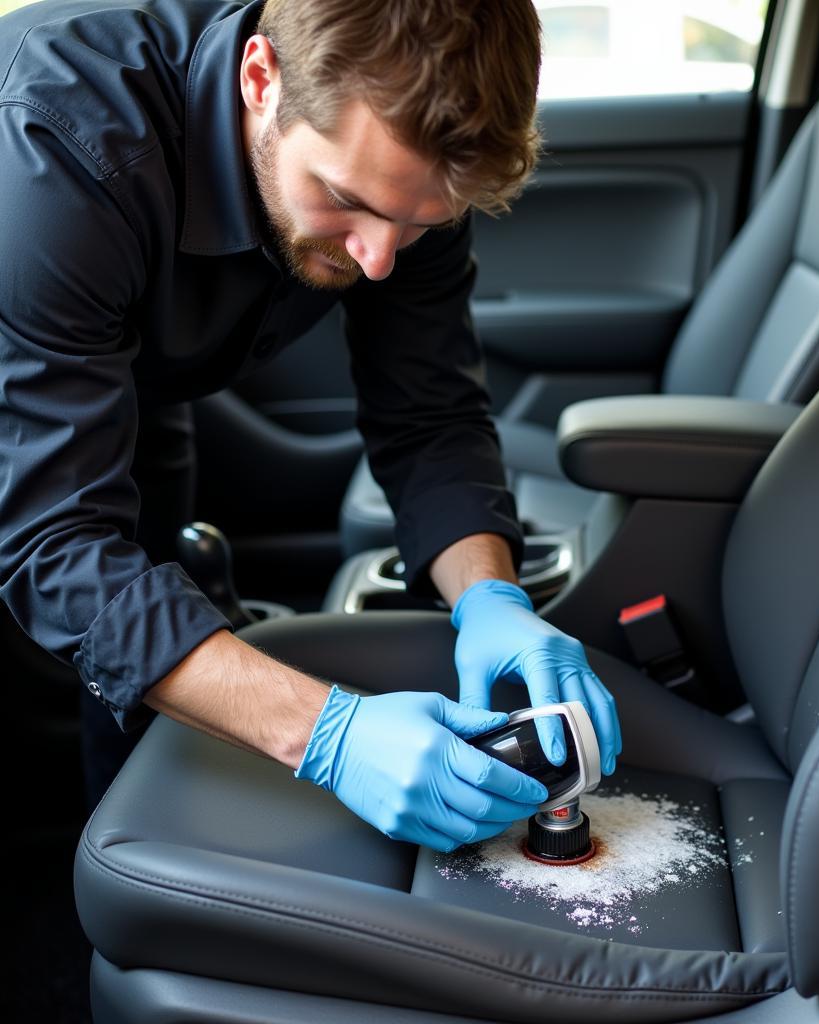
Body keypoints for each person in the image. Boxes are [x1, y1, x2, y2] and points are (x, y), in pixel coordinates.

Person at [0, 0, 621, 851]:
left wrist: (492, 596)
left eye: (417, 225)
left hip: (133, 377)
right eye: (345, 201)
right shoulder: (59, 148)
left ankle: (134, 885)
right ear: (262, 79)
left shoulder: (406, 159)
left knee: (145, 641)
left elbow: (429, 410)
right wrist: (326, 734)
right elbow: (56, 544)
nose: (378, 260)